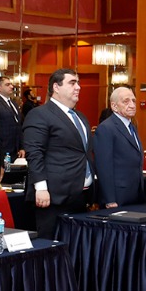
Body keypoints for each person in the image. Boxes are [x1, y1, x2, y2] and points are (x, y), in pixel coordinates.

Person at [22, 69, 92, 236]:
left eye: (78, 83)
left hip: (80, 196)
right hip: (53, 196)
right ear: (56, 87)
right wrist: (41, 188)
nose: (78, 87)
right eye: (72, 83)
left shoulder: (80, 117)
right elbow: (34, 153)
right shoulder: (39, 114)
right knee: (53, 244)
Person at [93, 86, 146, 208]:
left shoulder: (132, 126)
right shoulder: (106, 128)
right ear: (114, 106)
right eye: (126, 101)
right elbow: (103, 166)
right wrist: (109, 199)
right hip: (118, 196)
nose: (132, 105)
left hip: (135, 193)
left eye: (133, 100)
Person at [0, 75, 22, 159]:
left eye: (11, 84)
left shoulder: (13, 103)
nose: (11, 87)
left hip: (16, 149)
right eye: (7, 85)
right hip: (3, 149)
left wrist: (21, 146)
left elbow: (18, 125)